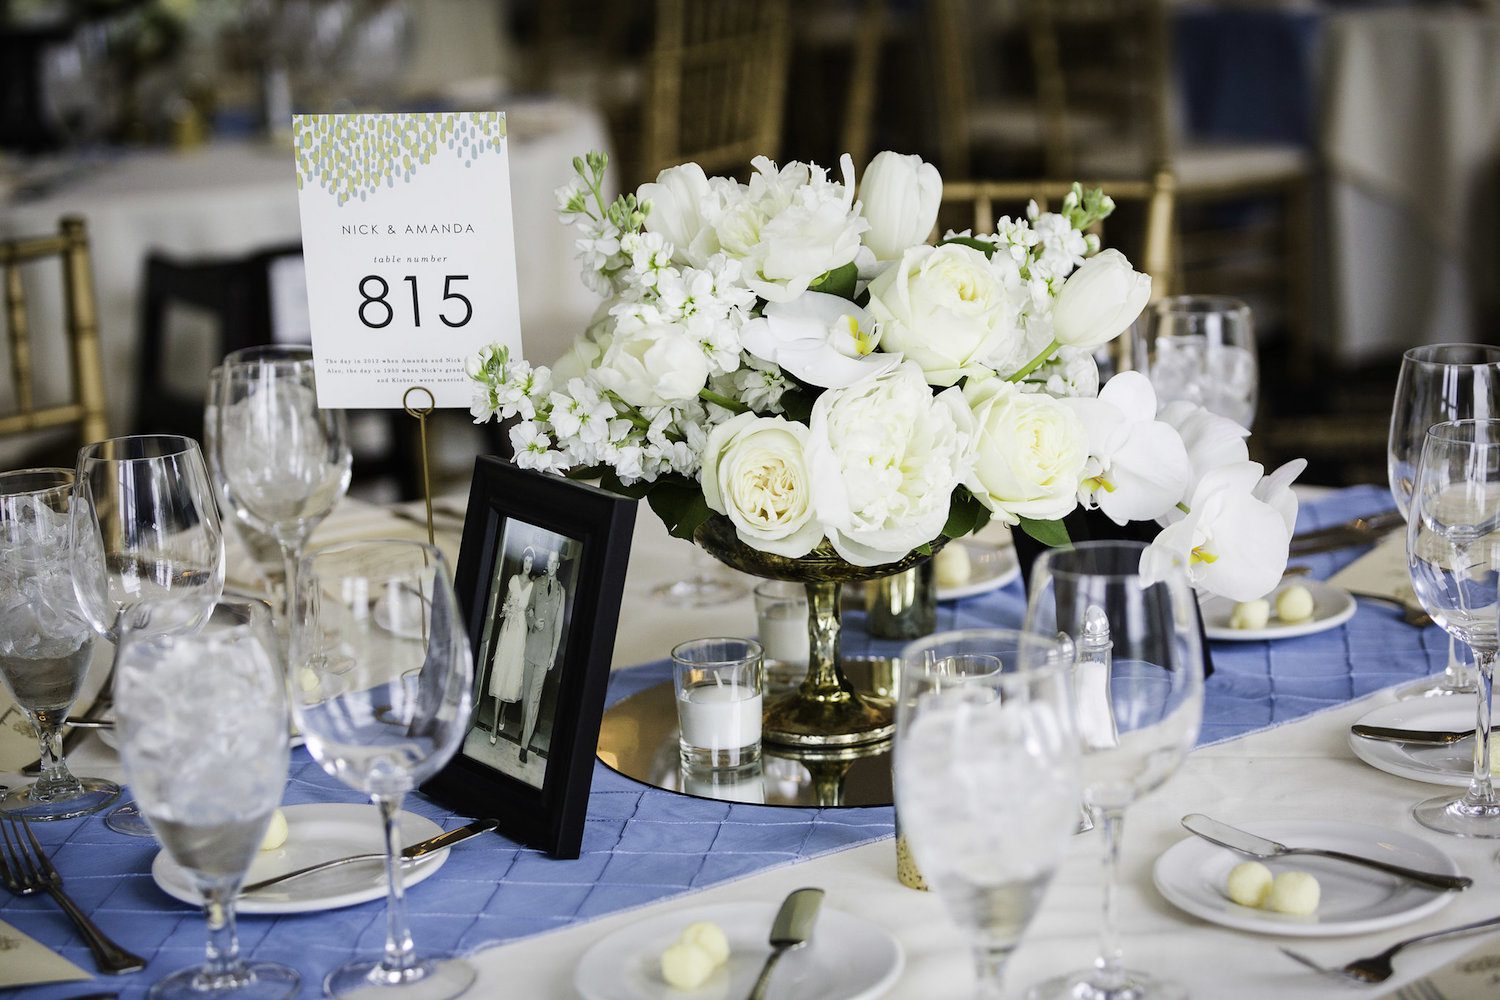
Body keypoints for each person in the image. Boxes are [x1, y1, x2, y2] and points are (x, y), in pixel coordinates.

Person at [518, 549, 566, 763]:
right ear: (548, 563)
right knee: (527, 695)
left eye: (556, 562)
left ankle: (524, 746)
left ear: (558, 565)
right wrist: (533, 621)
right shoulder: (537, 584)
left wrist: (553, 655)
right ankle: (522, 729)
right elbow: (528, 609)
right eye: (550, 561)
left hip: (545, 651)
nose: (553, 564)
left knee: (535, 698)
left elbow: (558, 627)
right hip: (531, 646)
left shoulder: (561, 592)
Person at [488, 548, 533, 745]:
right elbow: (506, 602)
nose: (528, 564)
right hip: (508, 630)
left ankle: (503, 714)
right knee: (502, 671)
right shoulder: (514, 580)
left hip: (521, 632)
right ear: (523, 561)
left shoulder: (532, 586)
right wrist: (509, 609)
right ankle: (494, 725)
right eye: (526, 560)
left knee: (513, 674)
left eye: (531, 562)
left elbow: (531, 610)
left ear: (532, 564)